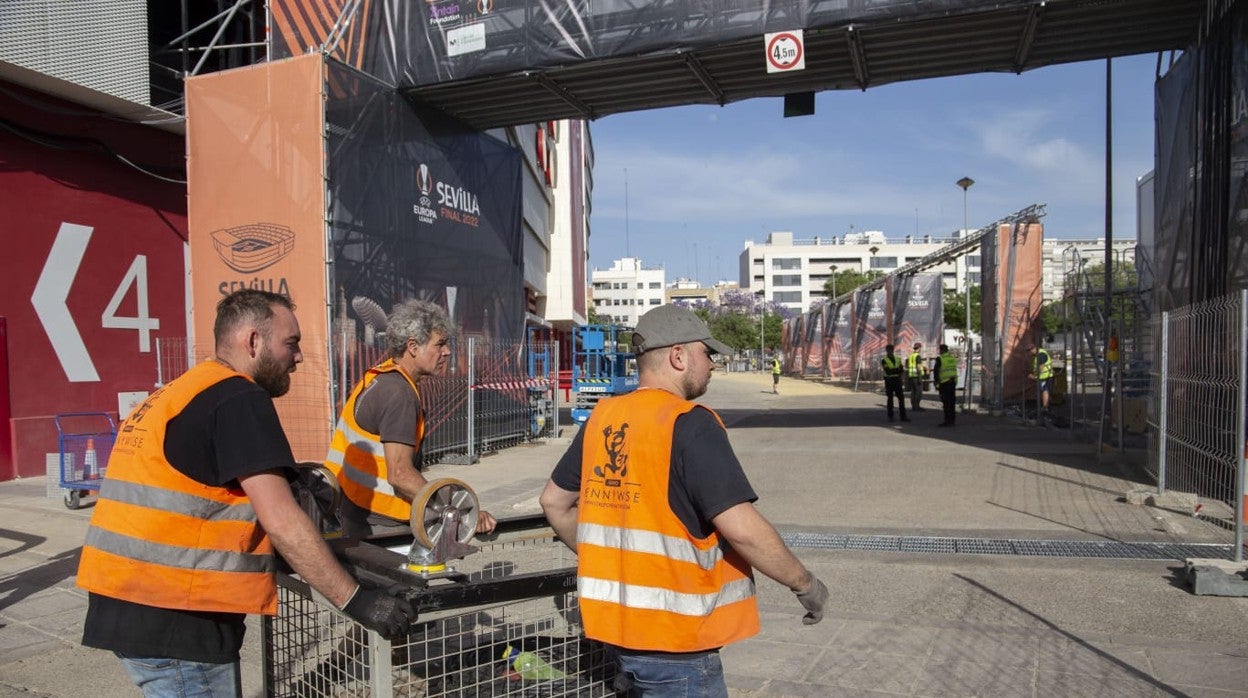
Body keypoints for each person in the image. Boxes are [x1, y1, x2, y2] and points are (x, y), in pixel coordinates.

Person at [77, 289, 413, 697]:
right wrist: (356, 600)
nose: (300, 356)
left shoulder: (182, 391)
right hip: (180, 619)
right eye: (291, 343)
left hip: (128, 603)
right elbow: (283, 519)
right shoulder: (238, 397)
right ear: (253, 342)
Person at [539, 304, 828, 697]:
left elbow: (554, 502)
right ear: (678, 356)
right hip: (678, 646)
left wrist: (610, 560)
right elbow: (742, 529)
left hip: (616, 634)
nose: (712, 364)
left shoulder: (602, 418)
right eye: (706, 353)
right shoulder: (689, 422)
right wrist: (804, 583)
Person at [326, 299, 497, 538]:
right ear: (413, 347)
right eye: (440, 344)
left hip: (355, 511)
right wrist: (457, 511)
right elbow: (400, 475)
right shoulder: (399, 394)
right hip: (383, 524)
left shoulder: (380, 377)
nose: (447, 351)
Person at [881, 344, 909, 422]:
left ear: (893, 350)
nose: (890, 352)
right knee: (890, 399)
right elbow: (888, 371)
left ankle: (903, 416)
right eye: (889, 350)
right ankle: (890, 416)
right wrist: (896, 370)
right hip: (889, 380)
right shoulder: (884, 360)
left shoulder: (898, 359)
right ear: (887, 351)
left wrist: (894, 370)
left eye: (891, 350)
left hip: (897, 380)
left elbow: (901, 370)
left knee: (901, 398)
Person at [1028, 341, 1053, 425]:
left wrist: (1034, 376)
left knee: (1045, 390)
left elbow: (1041, 367)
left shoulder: (1041, 355)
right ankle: (1045, 407)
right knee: (1044, 391)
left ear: (1034, 349)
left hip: (1045, 376)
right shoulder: (1039, 354)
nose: (1030, 353)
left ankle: (1045, 408)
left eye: (1030, 350)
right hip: (1043, 377)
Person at [935, 343, 959, 426]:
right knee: (952, 402)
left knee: (946, 402)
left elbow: (936, 371)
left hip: (944, 383)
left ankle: (947, 421)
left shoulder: (940, 359)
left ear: (941, 350)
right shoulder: (952, 358)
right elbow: (954, 369)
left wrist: (936, 383)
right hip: (952, 382)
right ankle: (952, 420)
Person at [906, 341, 927, 411]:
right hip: (917, 376)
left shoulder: (911, 356)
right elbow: (918, 367)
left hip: (911, 376)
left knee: (913, 392)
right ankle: (917, 406)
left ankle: (913, 406)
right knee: (919, 392)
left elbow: (908, 367)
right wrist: (920, 377)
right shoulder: (918, 356)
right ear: (919, 348)